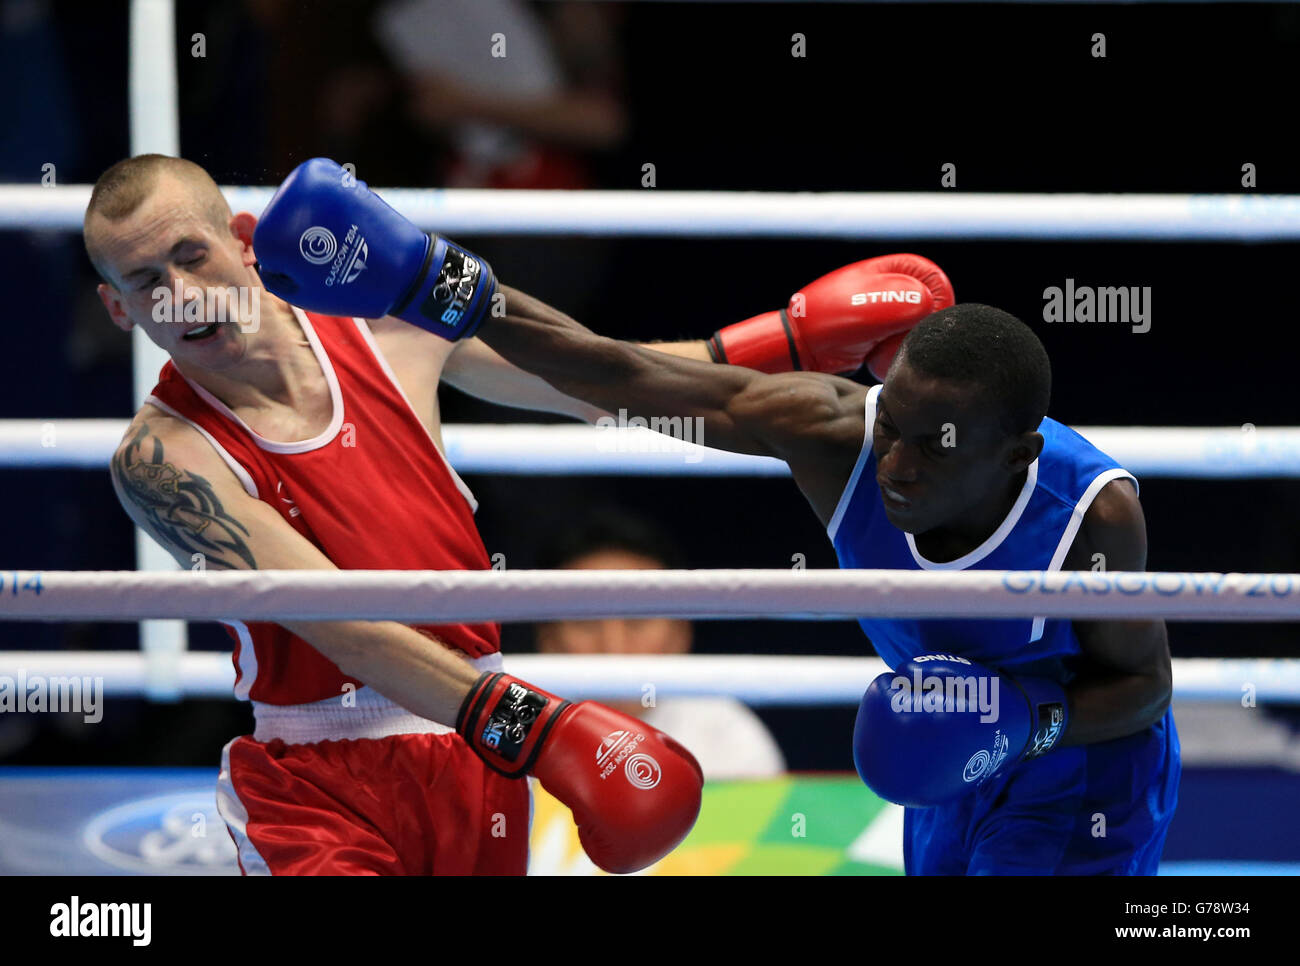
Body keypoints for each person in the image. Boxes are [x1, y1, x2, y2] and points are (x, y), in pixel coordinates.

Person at [251, 159, 1178, 875]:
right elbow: (625, 376)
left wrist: (1023, 722)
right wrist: (439, 285)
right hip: (939, 752)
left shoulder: (1093, 515)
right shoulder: (832, 434)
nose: (891, 465)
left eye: (931, 447)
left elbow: (1144, 688)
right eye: (888, 422)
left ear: (1015, 454)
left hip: (1080, 770)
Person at [86, 155, 935, 875]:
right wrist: (543, 729)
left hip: (476, 767)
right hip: (317, 782)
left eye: (191, 258)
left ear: (240, 238)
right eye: (146, 284)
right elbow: (339, 622)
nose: (183, 297)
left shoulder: (381, 325)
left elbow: (598, 385)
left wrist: (777, 346)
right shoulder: (165, 459)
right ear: (118, 309)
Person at [536, 509, 785, 780]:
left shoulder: (731, 737)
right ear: (548, 638)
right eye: (584, 620)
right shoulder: (513, 732)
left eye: (637, 620)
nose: (613, 647)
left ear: (680, 633)